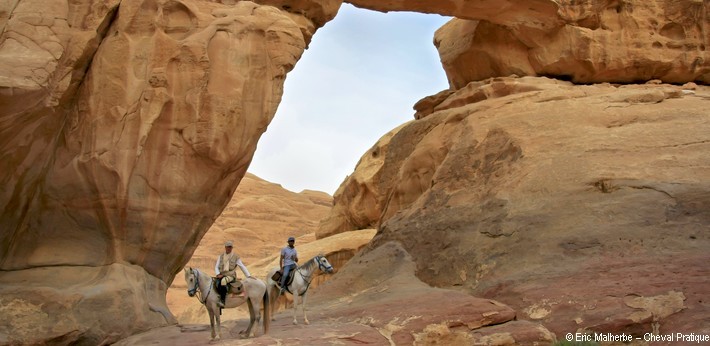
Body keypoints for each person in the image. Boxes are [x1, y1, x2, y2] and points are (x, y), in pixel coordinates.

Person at [214, 240, 251, 308]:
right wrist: (217, 274)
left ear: (232, 248)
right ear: (225, 247)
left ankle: (222, 301)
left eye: (230, 247)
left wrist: (248, 275)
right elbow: (216, 266)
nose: (229, 248)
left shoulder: (236, 257)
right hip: (221, 274)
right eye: (228, 247)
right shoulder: (221, 256)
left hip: (230, 275)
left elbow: (242, 266)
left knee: (223, 281)